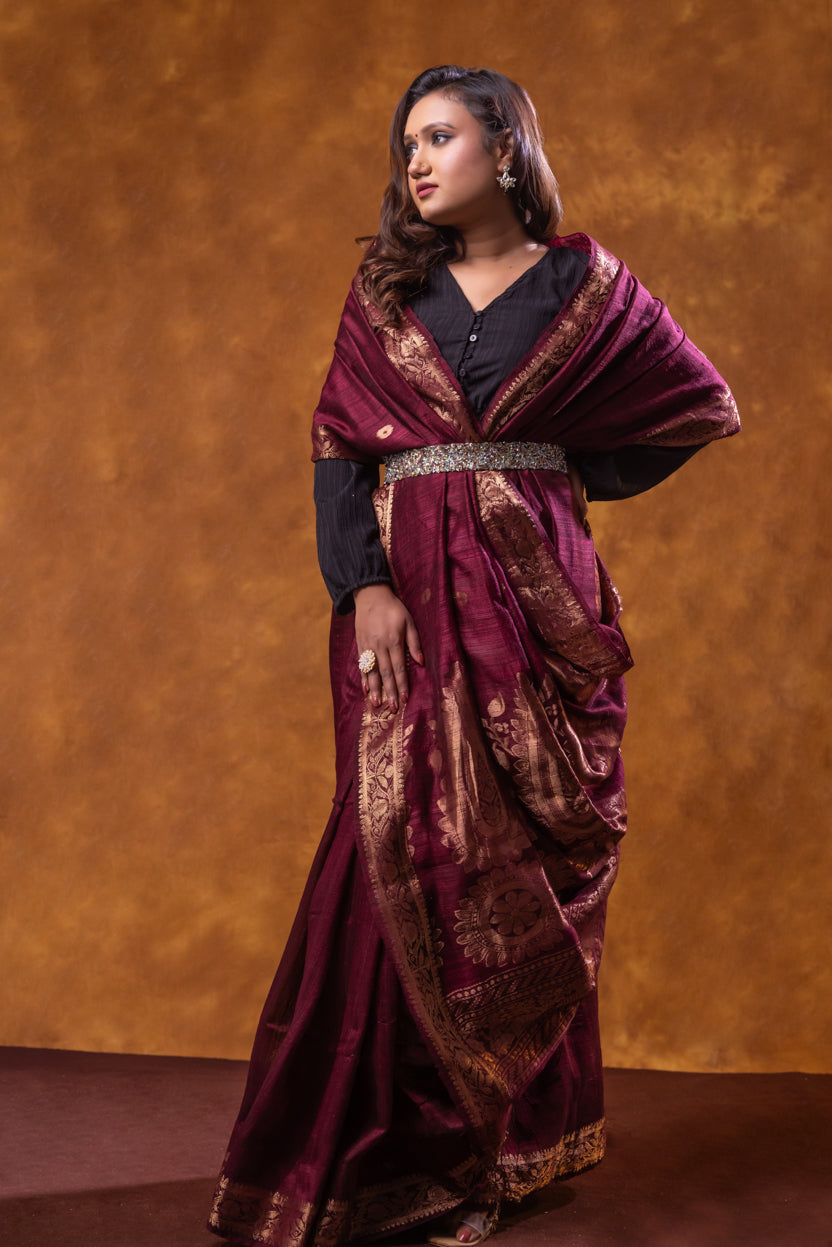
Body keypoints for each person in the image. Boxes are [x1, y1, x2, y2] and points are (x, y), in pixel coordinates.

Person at [208, 65, 739, 1247]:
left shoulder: (584, 287)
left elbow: (696, 404)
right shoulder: (386, 297)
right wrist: (365, 589)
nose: (415, 160)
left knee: (525, 862)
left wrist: (551, 476)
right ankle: (373, 1152)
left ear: (507, 149)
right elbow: (337, 449)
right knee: (395, 846)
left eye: (440, 135)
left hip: (532, 606)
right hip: (408, 605)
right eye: (407, 142)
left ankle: (499, 1151)